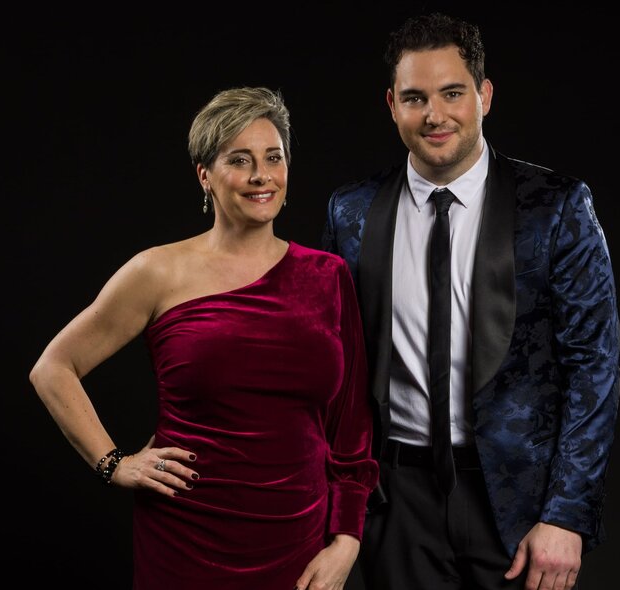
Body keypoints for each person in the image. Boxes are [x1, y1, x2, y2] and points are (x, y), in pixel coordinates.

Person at [30, 86, 379, 590]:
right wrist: (114, 464)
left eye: (273, 158)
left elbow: (352, 428)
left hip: (300, 537)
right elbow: (53, 368)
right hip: (187, 535)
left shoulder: (328, 275)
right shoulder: (157, 271)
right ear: (205, 176)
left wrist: (347, 540)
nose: (261, 175)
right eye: (240, 160)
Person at [322, 12, 620, 590]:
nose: (434, 115)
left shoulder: (555, 207)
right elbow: (335, 365)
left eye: (452, 93)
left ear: (484, 95)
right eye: (415, 98)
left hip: (517, 502)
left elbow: (595, 366)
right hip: (396, 499)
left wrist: (566, 514)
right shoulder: (350, 211)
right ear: (391, 104)